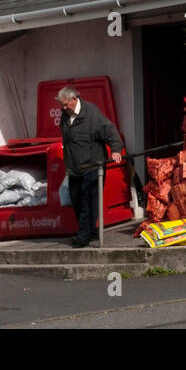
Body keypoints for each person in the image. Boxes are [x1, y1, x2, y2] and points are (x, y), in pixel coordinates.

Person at [57, 85, 123, 248]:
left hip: (92, 164)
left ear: (74, 99)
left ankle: (83, 235)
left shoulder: (91, 113)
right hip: (74, 167)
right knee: (77, 199)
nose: (64, 108)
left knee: (88, 200)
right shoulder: (65, 116)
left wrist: (115, 149)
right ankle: (91, 231)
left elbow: (110, 131)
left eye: (66, 105)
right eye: (62, 106)